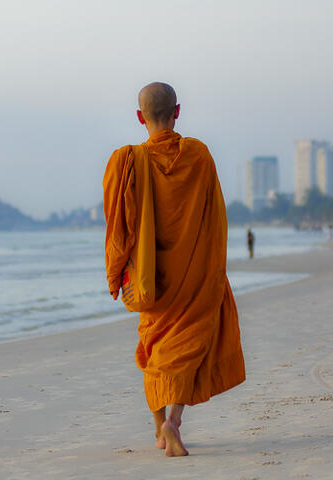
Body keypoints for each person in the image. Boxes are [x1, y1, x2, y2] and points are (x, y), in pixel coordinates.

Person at [103, 82, 245, 457]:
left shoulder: (128, 161)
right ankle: (174, 422)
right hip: (195, 276)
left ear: (139, 117)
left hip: (151, 277)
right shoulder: (198, 155)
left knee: (153, 346)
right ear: (177, 112)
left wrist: (116, 273)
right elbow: (215, 218)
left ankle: (158, 427)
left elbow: (120, 226)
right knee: (188, 346)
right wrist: (214, 269)